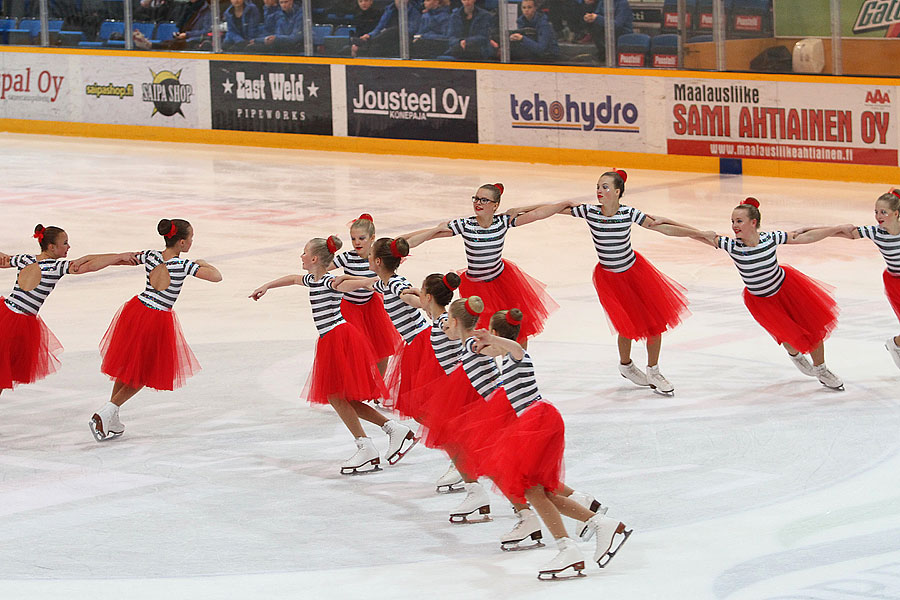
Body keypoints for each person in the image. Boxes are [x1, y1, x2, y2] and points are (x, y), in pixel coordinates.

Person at [471, 310, 631, 578]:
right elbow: (487, 349)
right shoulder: (505, 356)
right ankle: (598, 526)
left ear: (497, 336)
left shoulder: (517, 355)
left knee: (532, 488)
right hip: (535, 422)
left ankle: (571, 545)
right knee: (538, 490)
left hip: (539, 422)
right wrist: (479, 342)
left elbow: (515, 347)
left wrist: (495, 340)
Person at [507, 169, 689, 393]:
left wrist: (699, 233)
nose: (599, 191)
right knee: (626, 325)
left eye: (605, 187)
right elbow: (555, 209)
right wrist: (521, 209)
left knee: (654, 323)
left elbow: (666, 229)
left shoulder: (629, 213)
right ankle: (627, 366)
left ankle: (653, 369)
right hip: (609, 279)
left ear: (617, 191)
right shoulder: (590, 212)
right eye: (597, 186)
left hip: (635, 273)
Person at [250, 235, 415, 473]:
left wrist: (372, 281)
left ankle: (367, 445)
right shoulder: (312, 278)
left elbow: (353, 284)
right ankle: (391, 430)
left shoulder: (329, 281)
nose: (301, 256)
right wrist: (266, 286)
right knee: (343, 398)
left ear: (315, 258)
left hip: (339, 338)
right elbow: (292, 279)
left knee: (336, 395)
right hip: (331, 338)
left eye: (304, 253)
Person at [652, 198, 845, 390]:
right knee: (789, 336)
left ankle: (821, 369)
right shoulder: (732, 246)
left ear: (753, 222)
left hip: (788, 290)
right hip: (762, 301)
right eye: (733, 221)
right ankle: (795, 354)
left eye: (739, 221)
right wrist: (669, 221)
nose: (734, 226)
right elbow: (694, 234)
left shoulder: (770, 239)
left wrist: (835, 229)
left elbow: (802, 237)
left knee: (813, 326)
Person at [90, 219, 222, 441]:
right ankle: (108, 410)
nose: (191, 241)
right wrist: (203, 262)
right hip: (157, 317)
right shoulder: (183, 265)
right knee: (144, 371)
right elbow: (216, 276)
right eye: (190, 237)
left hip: (136, 310)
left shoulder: (151, 256)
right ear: (181, 242)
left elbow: (125, 259)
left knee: (129, 366)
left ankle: (112, 416)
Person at [404, 183, 568, 345]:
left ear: (495, 205)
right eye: (476, 199)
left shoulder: (503, 221)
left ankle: (516, 364)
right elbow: (432, 233)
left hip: (503, 283)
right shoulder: (466, 225)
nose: (478, 203)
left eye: (484, 200)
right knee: (482, 336)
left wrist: (521, 209)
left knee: (518, 331)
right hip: (476, 286)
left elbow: (540, 213)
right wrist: (402, 240)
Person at [0, 225, 135, 397]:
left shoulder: (24, 259)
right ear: (51, 247)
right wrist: (119, 256)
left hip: (5, 313)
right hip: (16, 326)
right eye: (64, 243)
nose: (68, 247)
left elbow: (3, 260)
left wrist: (118, 258)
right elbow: (90, 266)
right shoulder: (55, 267)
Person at [805, 189, 900, 370]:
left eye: (883, 212)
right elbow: (842, 232)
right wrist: (808, 230)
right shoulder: (876, 232)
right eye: (876, 212)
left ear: (896, 213)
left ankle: (896, 344)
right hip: (896, 283)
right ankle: (895, 344)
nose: (878, 216)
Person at [328, 214, 401, 376]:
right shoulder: (347, 258)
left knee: (382, 348)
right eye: (353, 239)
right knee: (357, 352)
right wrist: (328, 251)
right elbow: (324, 268)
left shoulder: (376, 259)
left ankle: (378, 386)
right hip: (349, 309)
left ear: (372, 238)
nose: (357, 242)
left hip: (371, 308)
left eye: (361, 238)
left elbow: (383, 275)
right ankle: (359, 385)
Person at [352, 0, 421, 58]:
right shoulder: (389, 10)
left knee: (395, 30)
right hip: (386, 39)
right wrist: (369, 35)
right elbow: (380, 27)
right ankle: (368, 41)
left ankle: (367, 42)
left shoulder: (414, 11)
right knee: (376, 46)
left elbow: (412, 30)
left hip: (402, 39)